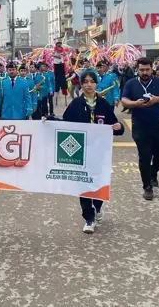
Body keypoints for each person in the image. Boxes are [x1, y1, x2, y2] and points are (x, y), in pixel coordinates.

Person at [43, 71, 124, 233]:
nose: (88, 85)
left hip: (99, 152)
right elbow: (65, 124)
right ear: (81, 84)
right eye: (85, 82)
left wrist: (119, 127)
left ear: (96, 84)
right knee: (84, 184)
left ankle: (98, 206)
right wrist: (49, 120)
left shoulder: (103, 104)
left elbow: (114, 126)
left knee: (97, 183)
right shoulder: (76, 104)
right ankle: (89, 218)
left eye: (92, 82)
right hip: (80, 153)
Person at [121, 57, 159, 200]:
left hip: (158, 124)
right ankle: (147, 187)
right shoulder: (131, 83)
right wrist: (135, 103)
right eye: (141, 70)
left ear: (152, 69)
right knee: (145, 155)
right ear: (137, 70)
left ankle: (152, 173)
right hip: (139, 126)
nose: (144, 72)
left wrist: (157, 99)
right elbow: (123, 100)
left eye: (147, 69)